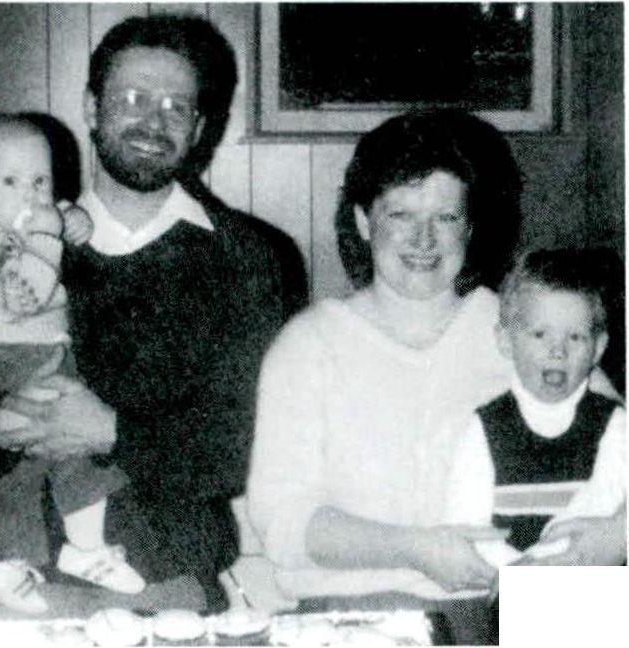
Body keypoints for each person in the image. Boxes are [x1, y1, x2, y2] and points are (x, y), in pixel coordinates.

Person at [0, 13, 307, 618]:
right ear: (91, 107)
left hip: (169, 594)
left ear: (199, 128)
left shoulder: (248, 257)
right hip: (0, 596)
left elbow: (246, 448)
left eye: (176, 107)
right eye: (132, 98)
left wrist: (113, 432)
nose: (154, 121)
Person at [246, 109, 617, 645]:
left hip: (510, 615)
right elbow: (283, 524)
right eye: (401, 214)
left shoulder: (525, 330)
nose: (424, 239)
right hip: (350, 617)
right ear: (364, 221)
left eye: (445, 217)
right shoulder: (309, 345)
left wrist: (617, 536)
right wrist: (415, 549)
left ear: (468, 227)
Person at [0, 114, 145, 614]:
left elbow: (56, 226)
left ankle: (36, 556)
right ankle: (58, 551)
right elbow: (22, 296)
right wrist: (49, 236)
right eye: (11, 182)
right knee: (46, 450)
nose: (31, 196)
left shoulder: (20, 223)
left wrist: (72, 222)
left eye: (40, 181)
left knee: (50, 456)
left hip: (30, 354)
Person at [445, 249, 626, 568]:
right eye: (540, 334)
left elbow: (604, 503)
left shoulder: (614, 424)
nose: (558, 351)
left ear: (598, 348)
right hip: (505, 582)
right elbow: (466, 525)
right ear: (506, 340)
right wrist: (517, 572)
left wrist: (549, 566)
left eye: (575, 337)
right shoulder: (486, 427)